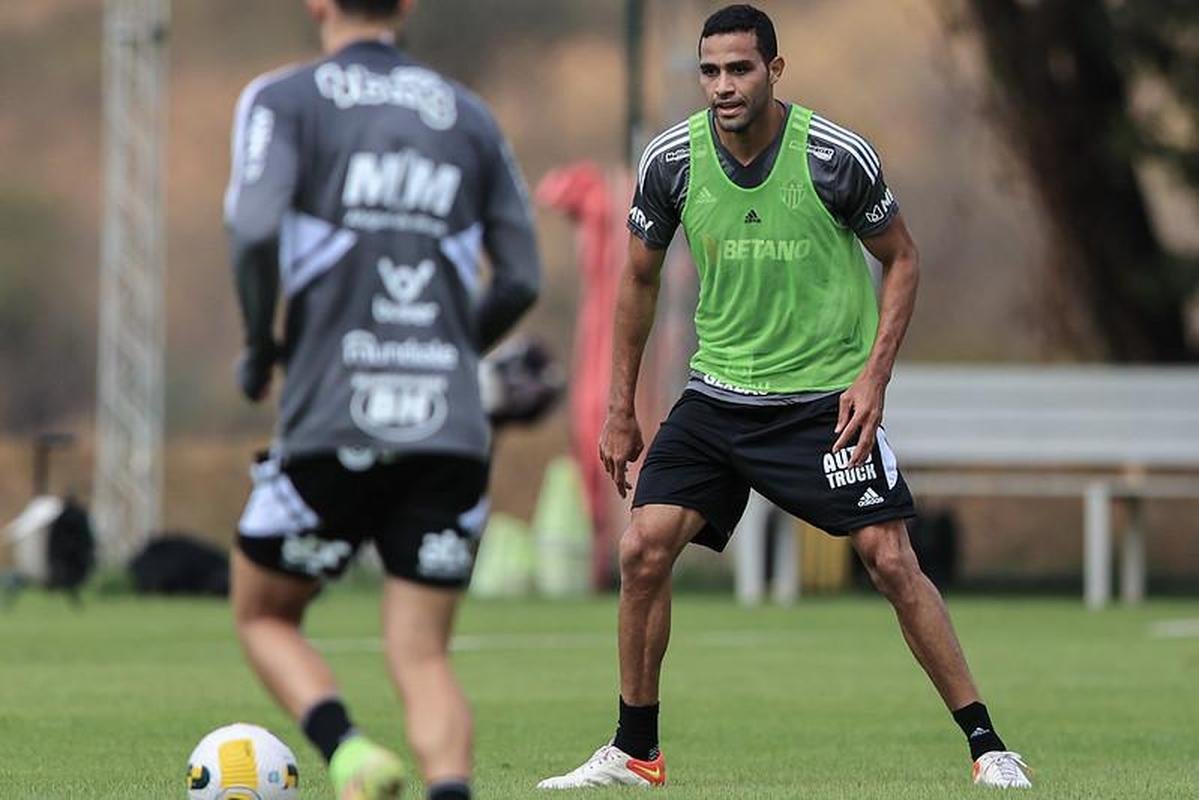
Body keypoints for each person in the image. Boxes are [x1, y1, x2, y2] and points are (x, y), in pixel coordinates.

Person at [537, 4, 1030, 791]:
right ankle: (636, 751)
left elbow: (901, 259)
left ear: (774, 69)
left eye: (739, 69)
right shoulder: (670, 161)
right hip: (717, 397)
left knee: (890, 560)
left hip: (818, 403)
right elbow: (637, 278)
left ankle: (987, 744)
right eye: (710, 71)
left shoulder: (835, 158)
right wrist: (620, 408)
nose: (723, 86)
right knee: (641, 550)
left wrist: (872, 378)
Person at [224, 0, 540, 798]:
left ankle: (349, 753)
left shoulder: (283, 99)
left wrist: (263, 345)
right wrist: (449, 346)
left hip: (335, 412)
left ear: (317, 3)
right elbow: (523, 277)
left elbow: (255, 229)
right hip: (450, 428)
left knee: (264, 612)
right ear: (405, 6)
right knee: (423, 653)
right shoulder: (468, 114)